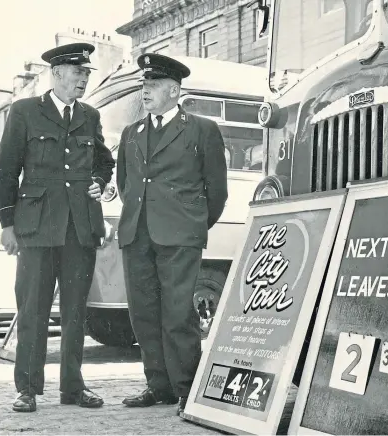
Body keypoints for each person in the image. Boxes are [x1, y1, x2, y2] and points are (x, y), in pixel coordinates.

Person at [0, 42, 115, 413]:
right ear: (57, 73)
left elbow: (104, 161)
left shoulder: (90, 116)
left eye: (87, 74)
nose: (84, 79)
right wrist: (8, 224)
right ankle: (27, 389)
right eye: (79, 73)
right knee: (33, 309)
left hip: (80, 227)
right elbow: (5, 171)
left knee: (76, 311)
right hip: (36, 227)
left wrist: (97, 179)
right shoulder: (25, 111)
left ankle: (73, 388)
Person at [117, 53, 228, 416]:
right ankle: (158, 386)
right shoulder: (130, 133)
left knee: (179, 314)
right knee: (144, 314)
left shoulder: (201, 129)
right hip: (137, 234)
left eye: (152, 86)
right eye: (144, 86)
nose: (145, 91)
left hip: (180, 236)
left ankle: (187, 388)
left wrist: (192, 225)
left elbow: (217, 191)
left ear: (173, 90)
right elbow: (125, 184)